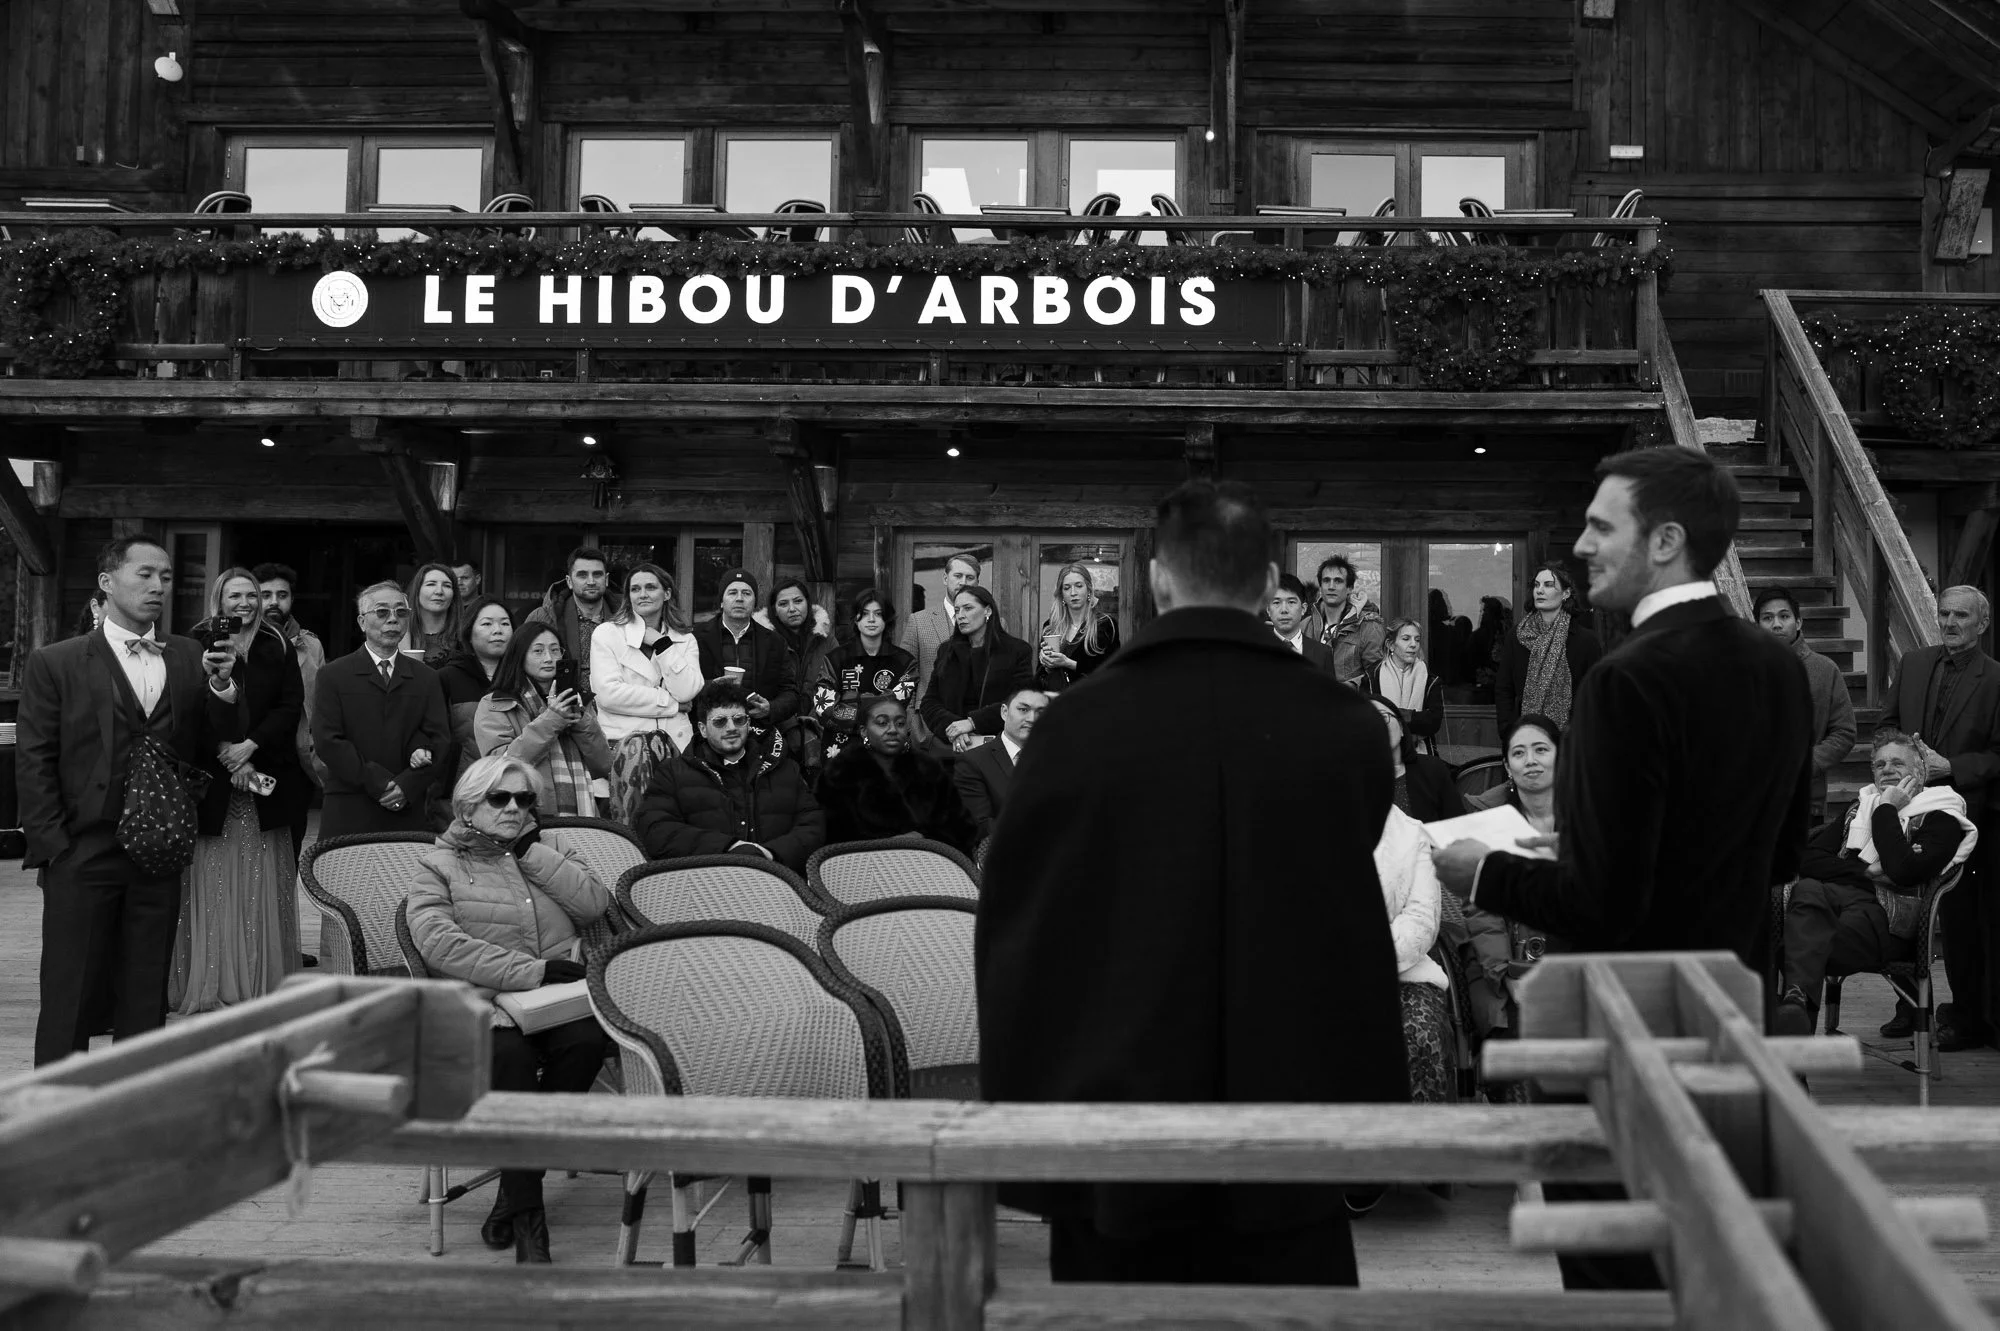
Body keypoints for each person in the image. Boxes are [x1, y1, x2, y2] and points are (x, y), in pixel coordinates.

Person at [978, 481, 1407, 1288]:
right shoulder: (1345, 725)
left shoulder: (1075, 723)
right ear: (1269, 584)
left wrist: (1025, 1112)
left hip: (1119, 1098)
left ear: (1156, 578)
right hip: (1291, 1096)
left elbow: (1022, 917)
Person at [1433, 447, 1811, 1293]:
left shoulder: (1623, 679)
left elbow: (1601, 905)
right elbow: (1778, 853)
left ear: (1666, 540)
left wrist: (1483, 873)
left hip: (1623, 1027)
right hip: (1730, 1008)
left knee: (1620, 1278)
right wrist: (1592, 847)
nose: (1580, 545)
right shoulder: (1780, 667)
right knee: (1711, 1268)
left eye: (1602, 526)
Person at [17, 538, 242, 1065]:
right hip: (81, 848)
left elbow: (219, 738)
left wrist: (223, 686)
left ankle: (137, 1095)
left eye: (165, 576)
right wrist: (55, 847)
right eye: (145, 574)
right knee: (70, 989)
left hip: (159, 851)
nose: (158, 586)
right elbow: (34, 758)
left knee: (146, 990)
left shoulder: (188, 656)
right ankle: (57, 1098)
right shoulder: (56, 661)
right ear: (107, 582)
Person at [406, 754, 611, 1265]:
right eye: (500, 798)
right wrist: (531, 971)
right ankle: (528, 1221)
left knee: (587, 1043)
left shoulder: (551, 847)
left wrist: (530, 853)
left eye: (524, 799)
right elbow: (438, 944)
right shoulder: (438, 865)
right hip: (483, 1002)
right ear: (468, 807)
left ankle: (514, 1190)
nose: (514, 808)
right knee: (511, 1060)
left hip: (558, 1001)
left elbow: (594, 905)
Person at [1775, 731, 1978, 1036]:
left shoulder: (1940, 815)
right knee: (1808, 890)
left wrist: (1887, 809)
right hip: (1833, 904)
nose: (1887, 769)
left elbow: (1904, 872)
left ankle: (1796, 1011)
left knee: (1793, 943)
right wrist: (1866, 872)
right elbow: (1807, 858)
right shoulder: (1860, 807)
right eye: (1880, 764)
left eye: (1897, 763)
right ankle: (1796, 1012)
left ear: (1920, 771)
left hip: (1887, 918)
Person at [172, 568, 307, 1014]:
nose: (246, 603)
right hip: (214, 779)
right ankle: (213, 979)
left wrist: (251, 747)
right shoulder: (194, 642)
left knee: (261, 883)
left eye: (252, 595)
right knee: (213, 882)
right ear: (219, 600)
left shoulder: (277, 643)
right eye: (235, 596)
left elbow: (290, 706)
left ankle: (259, 979)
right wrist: (225, 752)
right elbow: (188, 707)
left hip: (266, 770)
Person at [1875, 585, 2000, 1050]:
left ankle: (1968, 1017)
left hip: (1962, 812)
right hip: (1906, 805)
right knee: (1895, 906)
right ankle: (1910, 1008)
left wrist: (1952, 767)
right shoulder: (1913, 664)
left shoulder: (1996, 679)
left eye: (1961, 616)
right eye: (1944, 613)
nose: (1949, 623)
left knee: (1961, 920)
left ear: (1982, 623)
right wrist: (1899, 761)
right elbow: (1886, 725)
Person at [634, 679, 825, 871]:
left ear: (748, 723)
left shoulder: (784, 768)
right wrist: (729, 847)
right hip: (704, 883)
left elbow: (814, 826)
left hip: (779, 880)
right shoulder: (673, 773)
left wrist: (770, 854)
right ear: (702, 729)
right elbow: (654, 829)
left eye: (739, 719)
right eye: (720, 721)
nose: (731, 727)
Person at [311, 581, 453, 839]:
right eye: (382, 612)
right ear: (362, 622)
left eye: (401, 612)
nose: (393, 619)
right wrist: (379, 783)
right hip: (350, 805)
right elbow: (327, 741)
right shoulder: (333, 675)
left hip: (409, 806)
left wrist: (407, 786)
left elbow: (440, 740)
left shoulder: (427, 677)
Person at [1456, 714, 1562, 1041]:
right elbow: (1480, 908)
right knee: (1519, 1032)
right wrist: (1507, 975)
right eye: (1519, 753)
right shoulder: (1486, 818)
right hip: (1504, 960)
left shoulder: (1591, 814)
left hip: (1575, 955)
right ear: (1507, 766)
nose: (1530, 760)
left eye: (1541, 749)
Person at [591, 563, 702, 825]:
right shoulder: (607, 634)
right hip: (623, 751)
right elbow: (608, 695)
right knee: (626, 830)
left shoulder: (685, 639)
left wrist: (663, 645)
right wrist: (671, 704)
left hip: (677, 750)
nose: (642, 594)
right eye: (635, 589)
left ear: (667, 593)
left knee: (673, 827)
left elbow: (687, 690)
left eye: (650, 587)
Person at [475, 623, 614, 819]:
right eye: (538, 651)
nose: (549, 658)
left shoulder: (578, 701)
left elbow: (603, 764)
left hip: (583, 815)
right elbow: (502, 765)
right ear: (519, 656)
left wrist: (580, 720)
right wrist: (552, 719)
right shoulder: (496, 703)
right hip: (526, 811)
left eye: (555, 650)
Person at [816, 695, 978, 854]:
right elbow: (831, 837)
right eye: (882, 723)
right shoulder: (839, 773)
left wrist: (924, 839)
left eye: (900, 723)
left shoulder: (929, 770)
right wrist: (891, 845)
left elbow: (961, 829)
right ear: (864, 731)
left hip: (927, 860)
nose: (893, 730)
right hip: (861, 864)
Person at [1754, 586, 1857, 826]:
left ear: (1798, 622)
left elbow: (1845, 732)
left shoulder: (1825, 670)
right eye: (1767, 618)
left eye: (1784, 616)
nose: (1776, 624)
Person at [255, 562, 326, 853]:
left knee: (291, 846)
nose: (274, 602)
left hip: (297, 759)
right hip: (252, 756)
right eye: (266, 595)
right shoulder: (238, 641)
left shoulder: (311, 645)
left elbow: (321, 704)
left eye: (281, 595)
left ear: (291, 599)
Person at [920, 584, 1036, 754]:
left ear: (987, 611)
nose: (961, 615)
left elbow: (1020, 701)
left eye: (968, 608)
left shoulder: (1016, 650)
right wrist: (955, 728)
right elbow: (929, 702)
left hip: (999, 748)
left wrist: (972, 722)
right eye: (957, 610)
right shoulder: (946, 651)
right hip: (952, 749)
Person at [1495, 562, 1602, 735]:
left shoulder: (1586, 641)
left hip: (1571, 739)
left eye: (1548, 585)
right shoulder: (1517, 636)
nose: (1539, 590)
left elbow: (1595, 695)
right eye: (1536, 585)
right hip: (1523, 736)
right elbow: (1504, 688)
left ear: (1566, 593)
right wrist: (1507, 730)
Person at [814, 587, 917, 763]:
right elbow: (824, 707)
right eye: (864, 613)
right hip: (840, 752)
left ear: (887, 619)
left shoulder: (905, 662)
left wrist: (851, 701)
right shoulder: (835, 659)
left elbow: (897, 707)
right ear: (855, 618)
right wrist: (877, 703)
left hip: (889, 750)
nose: (871, 619)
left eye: (878, 614)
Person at [691, 569, 799, 732]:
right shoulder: (696, 638)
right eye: (732, 593)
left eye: (747, 593)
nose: (740, 598)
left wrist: (771, 708)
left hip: (758, 730)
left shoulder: (774, 642)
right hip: (709, 730)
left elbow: (790, 692)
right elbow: (683, 687)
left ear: (755, 603)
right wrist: (711, 686)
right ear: (721, 601)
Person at [899, 551, 982, 746]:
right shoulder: (919, 621)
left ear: (978, 582)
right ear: (945, 578)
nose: (963, 582)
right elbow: (905, 676)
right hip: (928, 729)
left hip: (978, 728)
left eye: (970, 577)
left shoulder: (993, 622)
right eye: (958, 576)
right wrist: (913, 725)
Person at [954, 684, 1047, 852]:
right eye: (1023, 710)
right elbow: (980, 825)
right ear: (1004, 712)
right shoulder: (973, 762)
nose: (1032, 718)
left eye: (1040, 712)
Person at [435, 596, 514, 782]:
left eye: (505, 623)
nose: (498, 630)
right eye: (487, 624)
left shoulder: (521, 678)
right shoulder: (447, 677)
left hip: (513, 781)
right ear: (468, 632)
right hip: (463, 783)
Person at [525, 547, 622, 697]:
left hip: (616, 703)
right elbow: (522, 665)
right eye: (582, 575)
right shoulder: (543, 617)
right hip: (560, 704)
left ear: (607, 579)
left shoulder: (626, 617)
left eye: (597, 575)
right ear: (569, 581)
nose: (591, 581)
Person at [762, 578, 833, 775]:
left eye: (798, 601)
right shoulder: (764, 641)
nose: (792, 609)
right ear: (774, 610)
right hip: (778, 726)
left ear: (808, 604)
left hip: (821, 723)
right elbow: (765, 689)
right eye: (783, 604)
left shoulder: (826, 639)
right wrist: (792, 725)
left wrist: (812, 722)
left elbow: (834, 684)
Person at [1367, 696, 1462, 823]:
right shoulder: (1349, 781)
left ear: (1401, 727)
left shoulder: (1433, 769)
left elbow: (1458, 825)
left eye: (1383, 717)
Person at [1301, 554, 1385, 685]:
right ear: (1320, 586)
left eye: (1338, 581)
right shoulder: (1305, 625)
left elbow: (1376, 677)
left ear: (1349, 588)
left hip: (1348, 697)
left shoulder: (1369, 627)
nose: (1331, 586)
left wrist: (1351, 685)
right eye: (1326, 580)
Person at [1037, 561, 1120, 692]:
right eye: (1067, 588)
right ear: (1061, 594)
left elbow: (1112, 671)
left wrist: (1069, 663)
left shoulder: (1104, 625)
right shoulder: (1050, 626)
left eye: (1079, 586)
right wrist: (1045, 664)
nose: (1073, 592)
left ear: (1088, 589)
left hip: (1091, 699)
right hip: (1057, 700)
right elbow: (1039, 678)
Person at [1366, 618, 1443, 755]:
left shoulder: (1430, 679)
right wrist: (1413, 717)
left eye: (1417, 640)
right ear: (1390, 645)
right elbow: (1369, 719)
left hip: (1421, 753)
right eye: (1406, 639)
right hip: (1381, 753)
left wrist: (1391, 715)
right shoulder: (1372, 676)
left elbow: (1433, 722)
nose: (1413, 644)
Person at [1266, 572, 1337, 672]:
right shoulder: (1253, 652)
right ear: (1268, 610)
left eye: (1291, 602)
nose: (1284, 610)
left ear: (1303, 609)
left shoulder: (1323, 654)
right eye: (1276, 602)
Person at [400, 561, 462, 662]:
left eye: (447, 586)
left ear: (454, 594)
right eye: (431, 584)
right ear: (417, 591)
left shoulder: (465, 635)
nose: (439, 591)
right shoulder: (400, 633)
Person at [1468, 596, 1512, 703]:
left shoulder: (1507, 637)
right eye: (1482, 611)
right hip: (1486, 688)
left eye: (1484, 611)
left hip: (1493, 689)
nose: (1482, 614)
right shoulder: (1507, 636)